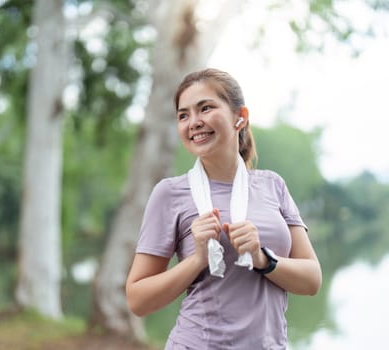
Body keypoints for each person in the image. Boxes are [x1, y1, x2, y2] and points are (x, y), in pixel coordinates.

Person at [125, 68, 322, 350]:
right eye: (183, 115)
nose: (194, 122)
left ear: (239, 116)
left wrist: (262, 258)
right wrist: (196, 260)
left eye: (205, 108)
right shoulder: (169, 194)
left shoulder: (272, 185)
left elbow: (312, 280)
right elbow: (138, 299)